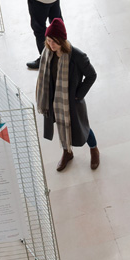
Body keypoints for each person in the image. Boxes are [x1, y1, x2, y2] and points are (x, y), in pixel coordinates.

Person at [35, 18, 99, 172]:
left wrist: (78, 95)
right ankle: (67, 153)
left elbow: (92, 75)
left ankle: (94, 149)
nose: (51, 45)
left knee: (83, 128)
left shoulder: (77, 56)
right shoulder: (47, 53)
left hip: (72, 102)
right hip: (54, 101)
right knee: (61, 127)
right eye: (49, 40)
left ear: (62, 40)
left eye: (54, 42)